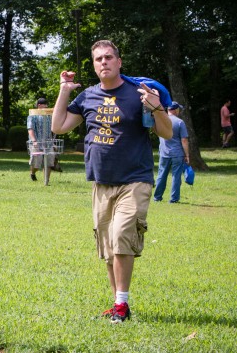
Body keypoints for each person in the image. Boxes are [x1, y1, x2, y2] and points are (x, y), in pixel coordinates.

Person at [51, 40, 172, 324]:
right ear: (93, 65)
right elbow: (59, 127)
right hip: (101, 182)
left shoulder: (138, 94)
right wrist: (64, 91)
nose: (103, 62)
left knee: (120, 238)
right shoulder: (88, 97)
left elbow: (166, 133)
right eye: (98, 59)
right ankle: (119, 304)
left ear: (119, 62)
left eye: (108, 57)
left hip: (134, 180)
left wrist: (156, 108)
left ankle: (121, 304)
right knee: (107, 247)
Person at [153, 101, 189, 204]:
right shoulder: (180, 122)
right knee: (176, 176)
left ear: (168, 109)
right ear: (176, 110)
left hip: (164, 153)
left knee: (161, 175)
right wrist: (187, 155)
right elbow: (184, 140)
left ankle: (157, 197)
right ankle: (174, 199)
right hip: (177, 154)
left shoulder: (161, 121)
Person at [27, 98, 60, 181]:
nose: (46, 107)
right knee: (36, 163)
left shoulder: (49, 116)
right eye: (45, 105)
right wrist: (34, 141)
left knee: (49, 162)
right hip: (36, 142)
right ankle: (33, 173)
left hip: (48, 142)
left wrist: (53, 141)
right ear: (39, 105)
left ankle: (46, 180)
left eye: (47, 105)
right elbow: (30, 129)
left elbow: (54, 127)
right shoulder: (32, 116)